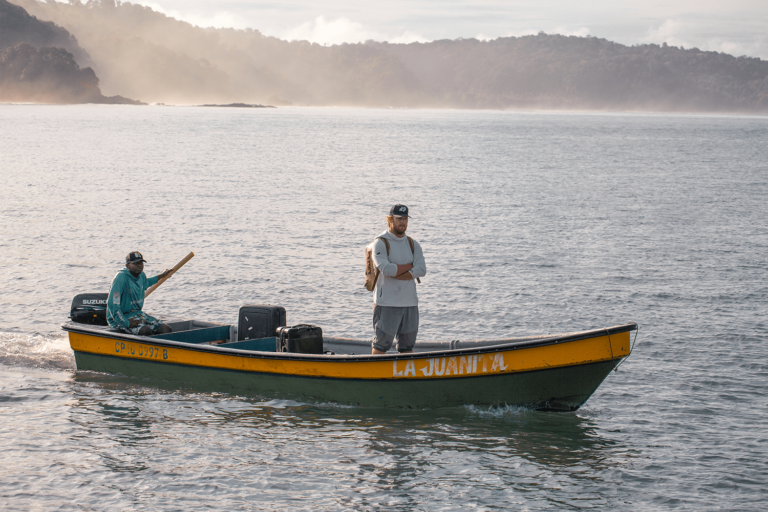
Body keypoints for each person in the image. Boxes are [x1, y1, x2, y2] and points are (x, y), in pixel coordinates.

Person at [371, 204, 427, 354]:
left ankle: (405, 377)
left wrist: (397, 271)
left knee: (407, 347)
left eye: (405, 219)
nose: (403, 222)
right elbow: (387, 269)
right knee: (381, 346)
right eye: (399, 219)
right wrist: (410, 267)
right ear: (390, 220)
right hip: (387, 303)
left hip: (410, 303)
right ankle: (375, 377)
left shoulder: (413, 244)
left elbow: (422, 270)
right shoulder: (380, 242)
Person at [107, 251, 173, 335]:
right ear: (127, 265)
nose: (139, 266)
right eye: (135, 263)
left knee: (166, 329)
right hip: (119, 319)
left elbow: (147, 283)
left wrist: (162, 275)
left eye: (141, 263)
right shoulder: (120, 278)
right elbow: (113, 304)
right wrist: (126, 322)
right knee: (145, 331)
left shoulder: (141, 275)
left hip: (137, 314)